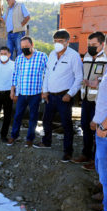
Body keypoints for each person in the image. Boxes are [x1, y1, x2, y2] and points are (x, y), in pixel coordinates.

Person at [33, 29, 83, 162]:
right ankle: (46, 142)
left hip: (64, 97)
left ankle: (68, 152)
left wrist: (70, 94)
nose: (57, 44)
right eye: (55, 41)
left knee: (66, 125)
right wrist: (45, 91)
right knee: (46, 120)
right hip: (51, 96)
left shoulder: (74, 56)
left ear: (67, 42)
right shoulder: (52, 54)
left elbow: (79, 78)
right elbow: (47, 74)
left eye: (60, 41)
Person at [72, 32, 107, 170]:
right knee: (85, 127)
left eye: (94, 45)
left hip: (98, 102)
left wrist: (96, 82)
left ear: (102, 44)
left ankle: (95, 159)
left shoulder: (105, 58)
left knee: (96, 129)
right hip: (86, 99)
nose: (91, 47)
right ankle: (86, 154)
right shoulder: (86, 56)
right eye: (89, 45)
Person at [7, 36, 48, 147]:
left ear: (32, 45)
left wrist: (45, 90)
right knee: (17, 116)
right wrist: (12, 91)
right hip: (22, 93)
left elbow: (47, 74)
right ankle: (14, 135)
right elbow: (15, 75)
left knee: (33, 117)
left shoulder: (42, 56)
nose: (24, 48)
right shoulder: (19, 59)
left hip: (35, 93)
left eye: (26, 46)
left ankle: (30, 138)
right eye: (22, 47)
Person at [84, 68, 107, 211]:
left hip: (105, 131)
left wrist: (104, 125)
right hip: (101, 130)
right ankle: (105, 202)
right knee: (101, 169)